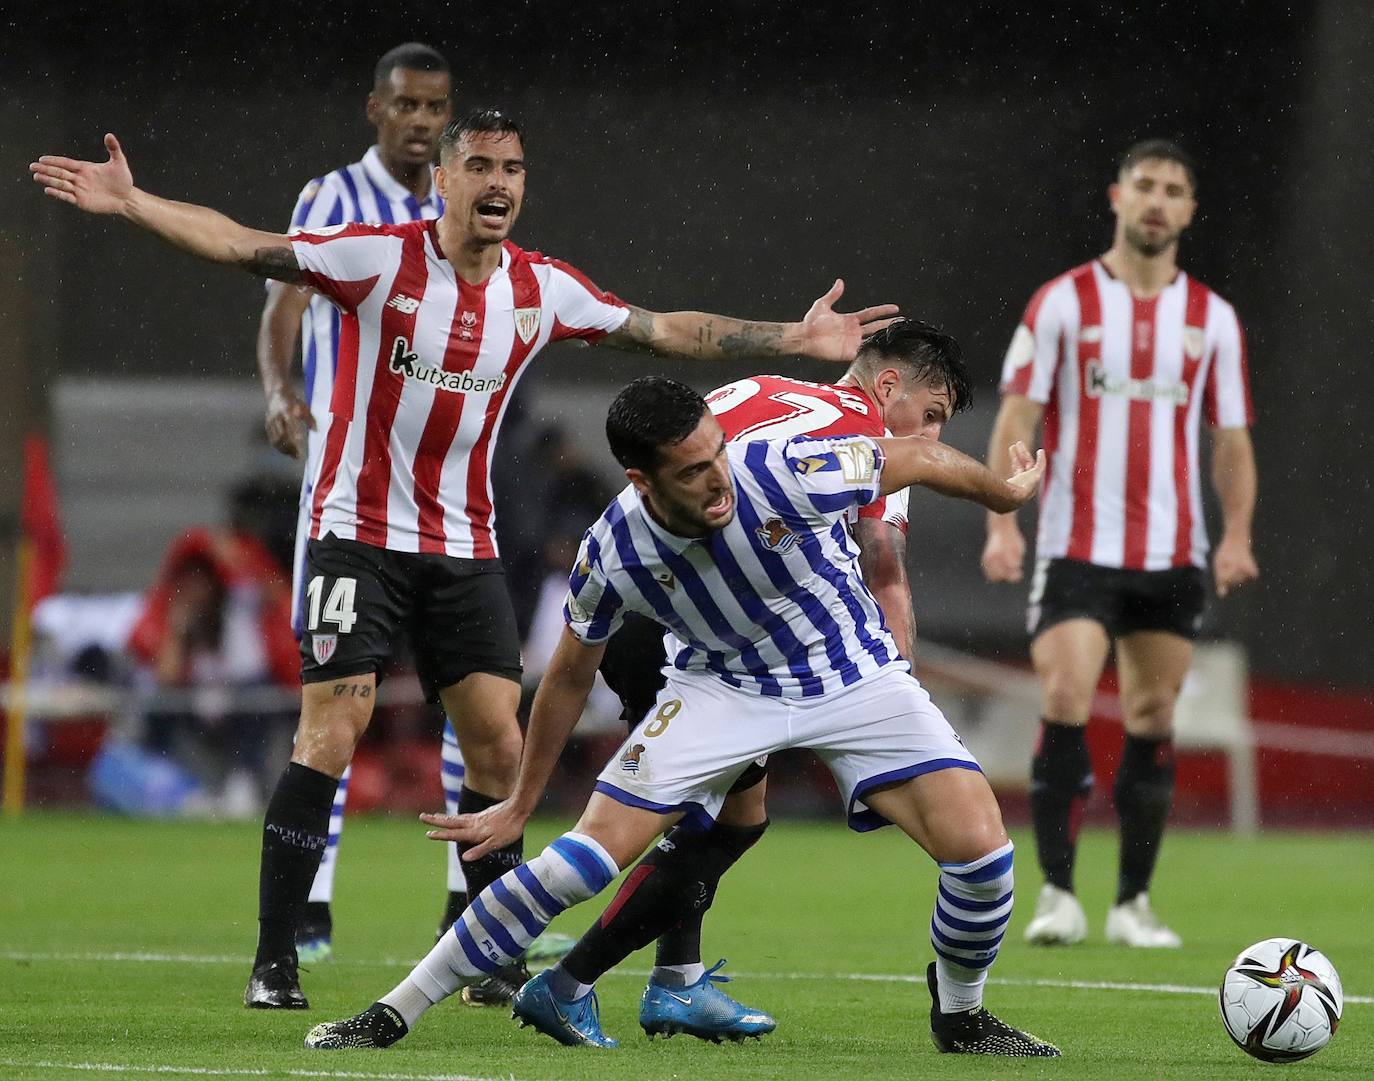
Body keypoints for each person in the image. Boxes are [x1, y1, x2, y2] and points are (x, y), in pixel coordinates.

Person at [30, 110, 900, 1012]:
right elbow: (247, 246)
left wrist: (792, 340)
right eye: (479, 165)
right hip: (355, 530)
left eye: (513, 168)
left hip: (463, 541)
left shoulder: (541, 288)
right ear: (441, 182)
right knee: (336, 726)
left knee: (497, 738)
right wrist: (133, 205)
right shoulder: (377, 258)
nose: (498, 183)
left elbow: (663, 330)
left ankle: (485, 953)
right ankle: (276, 955)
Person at [302, 375, 1060, 1057]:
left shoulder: (784, 467)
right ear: (644, 479)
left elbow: (917, 459)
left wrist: (1003, 493)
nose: (718, 480)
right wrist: (521, 802)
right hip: (722, 689)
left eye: (718, 454)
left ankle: (960, 1014)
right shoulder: (614, 547)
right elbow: (568, 674)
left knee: (984, 857)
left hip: (852, 674)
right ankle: (391, 1013)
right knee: (580, 860)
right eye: (694, 470)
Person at [544, 318, 971, 1042]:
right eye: (930, 416)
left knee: (724, 815)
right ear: (888, 386)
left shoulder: (761, 391)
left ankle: (673, 979)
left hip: (646, 602)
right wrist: (889, 689)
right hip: (708, 631)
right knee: (709, 820)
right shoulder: (863, 439)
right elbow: (885, 566)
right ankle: (567, 976)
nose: (928, 437)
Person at [980, 139, 1258, 948]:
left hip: (1173, 553)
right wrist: (1003, 520)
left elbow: (1231, 437)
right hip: (1076, 545)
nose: (1158, 201)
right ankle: (1058, 893)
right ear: (1117, 196)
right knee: (1065, 697)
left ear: (1189, 209)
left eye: (1174, 189)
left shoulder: (1214, 319)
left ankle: (1133, 901)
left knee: (1152, 712)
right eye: (1145, 186)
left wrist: (1236, 535)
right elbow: (1017, 419)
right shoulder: (1062, 302)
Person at [255, 40, 476, 971]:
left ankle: (474, 898)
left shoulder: (463, 200)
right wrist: (278, 391)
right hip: (346, 485)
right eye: (409, 105)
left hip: (447, 484)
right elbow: (285, 304)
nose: (424, 121)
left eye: (437, 107)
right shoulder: (331, 199)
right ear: (375, 108)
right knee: (335, 690)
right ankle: (310, 900)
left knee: (480, 701)